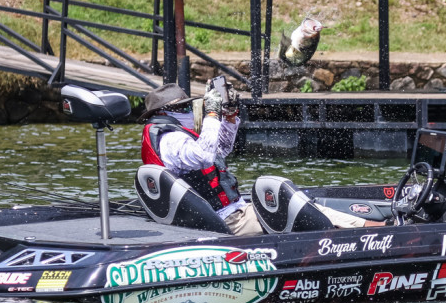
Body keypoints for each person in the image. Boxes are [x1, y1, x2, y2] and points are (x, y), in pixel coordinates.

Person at [139, 82, 382, 235]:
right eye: (182, 108)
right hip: (226, 220)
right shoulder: (170, 140)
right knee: (296, 209)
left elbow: (220, 150)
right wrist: (212, 113)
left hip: (231, 211)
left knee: (302, 203)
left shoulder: (175, 135)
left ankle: (366, 228)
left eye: (187, 107)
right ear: (162, 113)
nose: (188, 112)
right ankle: (374, 232)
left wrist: (229, 116)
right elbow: (204, 156)